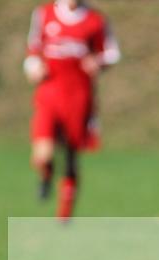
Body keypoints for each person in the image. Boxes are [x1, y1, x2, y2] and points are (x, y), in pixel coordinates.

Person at [24, 0, 120, 221]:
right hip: (49, 91)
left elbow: (112, 53)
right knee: (43, 152)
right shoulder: (44, 14)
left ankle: (64, 215)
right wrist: (32, 66)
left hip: (78, 95)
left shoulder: (95, 20)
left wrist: (98, 62)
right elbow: (33, 48)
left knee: (70, 154)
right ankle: (46, 174)